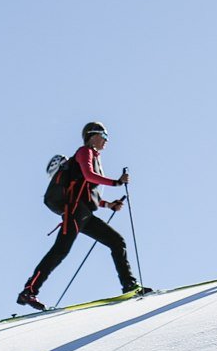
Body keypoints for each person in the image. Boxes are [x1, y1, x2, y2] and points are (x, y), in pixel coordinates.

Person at [17, 122, 150, 310]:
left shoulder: (94, 157)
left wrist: (108, 204)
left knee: (117, 241)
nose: (106, 140)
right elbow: (89, 176)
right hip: (75, 212)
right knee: (60, 251)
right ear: (92, 135)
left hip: (85, 214)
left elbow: (89, 193)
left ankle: (129, 285)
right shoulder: (84, 152)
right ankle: (28, 291)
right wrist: (116, 182)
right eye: (104, 136)